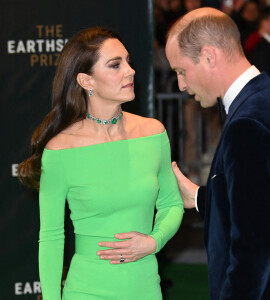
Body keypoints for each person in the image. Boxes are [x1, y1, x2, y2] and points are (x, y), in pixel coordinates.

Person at [18, 27, 184, 300]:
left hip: (145, 288)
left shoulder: (153, 133)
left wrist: (154, 240)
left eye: (128, 61)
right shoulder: (60, 150)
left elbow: (171, 204)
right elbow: (51, 237)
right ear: (86, 80)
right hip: (86, 290)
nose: (130, 71)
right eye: (115, 65)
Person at [165, 7, 270, 300]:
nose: (181, 85)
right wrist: (201, 197)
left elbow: (252, 250)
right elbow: (265, 205)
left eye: (181, 70)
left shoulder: (249, 122)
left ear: (209, 56)